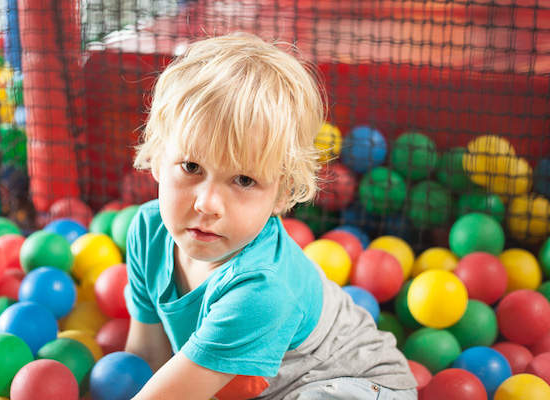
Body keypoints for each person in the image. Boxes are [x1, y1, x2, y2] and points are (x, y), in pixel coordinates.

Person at [124, 32, 417, 400]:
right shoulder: (149, 232)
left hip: (354, 384)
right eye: (191, 166)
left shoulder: (262, 288)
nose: (208, 203)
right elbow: (146, 357)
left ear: (283, 194)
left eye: (244, 180)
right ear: (157, 157)